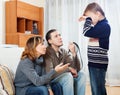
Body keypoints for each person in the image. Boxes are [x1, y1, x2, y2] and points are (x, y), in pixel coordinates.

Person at [79, 2, 111, 95]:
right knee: (96, 89)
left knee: (98, 90)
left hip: (98, 64)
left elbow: (86, 31)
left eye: (90, 17)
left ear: (98, 14)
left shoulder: (104, 26)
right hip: (94, 63)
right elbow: (88, 30)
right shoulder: (99, 25)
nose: (89, 20)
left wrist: (87, 19)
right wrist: (88, 17)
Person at [44, 29, 86, 95]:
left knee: (81, 74)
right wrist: (68, 69)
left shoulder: (63, 51)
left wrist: (74, 53)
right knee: (67, 76)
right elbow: (50, 74)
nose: (60, 37)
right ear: (50, 41)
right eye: (56, 36)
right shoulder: (46, 53)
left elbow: (76, 69)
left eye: (59, 35)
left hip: (62, 76)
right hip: (52, 79)